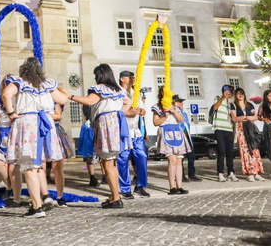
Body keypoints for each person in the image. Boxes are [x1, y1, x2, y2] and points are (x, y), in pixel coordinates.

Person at [3, 57, 69, 217]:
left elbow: (6, 94)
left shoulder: (19, 82)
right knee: (38, 164)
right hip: (45, 123)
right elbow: (63, 99)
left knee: (30, 166)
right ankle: (43, 198)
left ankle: (37, 206)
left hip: (27, 123)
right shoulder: (47, 84)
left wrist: (11, 113)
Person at [67, 63, 130, 210]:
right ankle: (115, 196)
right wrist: (118, 112)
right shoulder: (117, 89)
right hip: (115, 124)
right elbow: (128, 102)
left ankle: (116, 198)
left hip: (105, 124)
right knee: (110, 163)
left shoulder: (100, 88)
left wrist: (70, 96)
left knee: (107, 163)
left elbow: (89, 101)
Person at [0, 75, 23, 208]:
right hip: (0, 135)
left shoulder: (19, 100)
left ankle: (16, 195)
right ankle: (9, 186)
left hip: (14, 134)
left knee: (14, 167)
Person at [116, 70, 150, 198]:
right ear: (122, 79)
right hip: (124, 131)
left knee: (142, 157)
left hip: (136, 132)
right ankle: (125, 189)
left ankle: (140, 185)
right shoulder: (118, 93)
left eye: (133, 77)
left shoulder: (136, 93)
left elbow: (144, 110)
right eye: (129, 77)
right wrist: (127, 112)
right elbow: (115, 111)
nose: (132, 79)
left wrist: (140, 111)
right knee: (123, 159)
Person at [152, 87, 191, 195]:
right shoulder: (157, 107)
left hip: (177, 133)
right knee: (172, 161)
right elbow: (155, 122)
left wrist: (173, 111)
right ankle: (172, 186)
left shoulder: (176, 107)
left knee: (179, 161)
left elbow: (181, 119)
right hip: (166, 132)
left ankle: (179, 186)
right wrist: (165, 116)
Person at [230, 87, 264, 181]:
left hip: (250, 129)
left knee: (254, 149)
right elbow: (235, 118)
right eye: (238, 94)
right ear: (235, 96)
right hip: (241, 129)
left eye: (242, 93)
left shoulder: (249, 105)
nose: (240, 95)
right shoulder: (233, 105)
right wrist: (247, 117)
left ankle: (257, 171)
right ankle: (250, 172)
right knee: (245, 150)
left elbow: (256, 117)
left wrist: (244, 117)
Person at [211, 85, 238, 182]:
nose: (229, 93)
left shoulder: (231, 104)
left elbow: (234, 117)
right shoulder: (218, 99)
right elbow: (215, 108)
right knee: (221, 151)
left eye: (230, 91)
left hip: (228, 129)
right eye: (227, 91)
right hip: (219, 128)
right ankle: (220, 173)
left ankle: (231, 172)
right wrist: (223, 97)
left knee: (230, 152)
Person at [78, 104, 99, 187]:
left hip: (97, 126)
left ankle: (105, 176)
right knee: (90, 154)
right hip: (90, 128)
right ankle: (92, 177)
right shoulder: (88, 103)